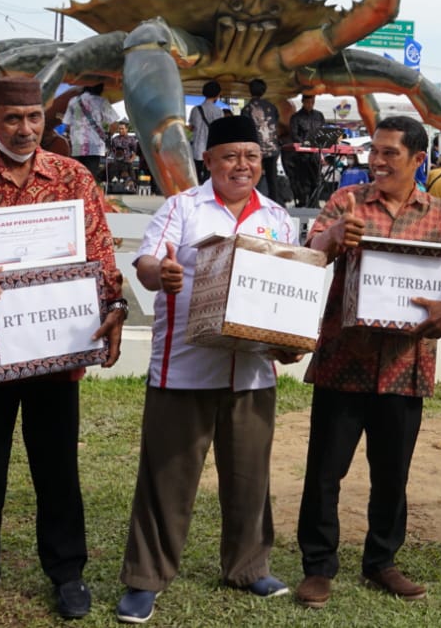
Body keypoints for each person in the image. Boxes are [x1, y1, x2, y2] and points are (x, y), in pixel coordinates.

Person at [0, 76, 127, 628]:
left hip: (56, 349)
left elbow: (100, 253)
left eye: (34, 118)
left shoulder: (73, 177)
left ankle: (67, 574)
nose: (25, 129)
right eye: (13, 119)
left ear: (47, 120)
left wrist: (113, 306)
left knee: (57, 467)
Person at [114, 113, 297, 622]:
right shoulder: (182, 208)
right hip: (184, 368)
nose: (243, 166)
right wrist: (163, 273)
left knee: (249, 477)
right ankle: (145, 579)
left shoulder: (279, 218)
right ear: (209, 160)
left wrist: (291, 340)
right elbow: (148, 263)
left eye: (252, 157)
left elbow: (289, 288)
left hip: (253, 372)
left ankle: (248, 567)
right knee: (166, 478)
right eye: (231, 156)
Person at [294, 116, 441, 609]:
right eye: (376, 151)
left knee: (393, 473)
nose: (378, 161)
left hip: (405, 364)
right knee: (325, 472)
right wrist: (332, 239)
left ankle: (381, 562)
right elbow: (312, 254)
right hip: (343, 360)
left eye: (391, 153)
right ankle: (318, 567)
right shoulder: (346, 203)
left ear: (418, 160)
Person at [244, 78, 284, 203]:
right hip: (272, 148)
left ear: (250, 91)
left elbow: (245, 128)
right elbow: (276, 122)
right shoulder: (271, 107)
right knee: (272, 179)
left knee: (253, 177)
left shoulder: (247, 109)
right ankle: (274, 203)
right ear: (264, 91)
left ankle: (252, 202)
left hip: (255, 150)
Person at [287, 94, 327, 206]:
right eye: (308, 102)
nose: (310, 105)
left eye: (312, 102)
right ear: (303, 102)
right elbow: (294, 135)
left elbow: (323, 132)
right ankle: (303, 202)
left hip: (316, 154)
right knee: (303, 181)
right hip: (301, 155)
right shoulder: (296, 117)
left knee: (317, 179)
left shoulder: (319, 116)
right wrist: (307, 144)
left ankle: (315, 202)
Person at [187, 81, 226, 182]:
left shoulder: (195, 109)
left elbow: (191, 128)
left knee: (195, 176)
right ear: (217, 95)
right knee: (208, 176)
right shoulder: (219, 111)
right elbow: (220, 130)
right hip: (211, 147)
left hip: (197, 147)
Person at [107, 120, 140, 189]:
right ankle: (114, 187)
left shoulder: (131, 139)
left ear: (126, 129)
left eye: (122, 128)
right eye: (119, 128)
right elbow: (112, 150)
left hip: (127, 162)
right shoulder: (114, 139)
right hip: (116, 162)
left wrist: (131, 160)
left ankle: (132, 187)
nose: (120, 130)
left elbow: (135, 151)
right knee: (113, 176)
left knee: (132, 177)